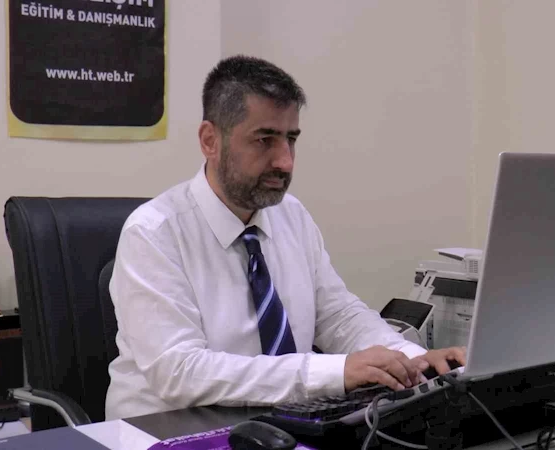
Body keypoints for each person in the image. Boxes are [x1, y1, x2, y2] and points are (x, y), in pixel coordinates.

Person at [105, 55, 466, 420]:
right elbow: (181, 373)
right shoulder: (152, 233)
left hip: (272, 424)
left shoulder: (291, 215)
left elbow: (338, 315)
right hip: (164, 429)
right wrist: (336, 372)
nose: (285, 162)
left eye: (290, 139)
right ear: (210, 140)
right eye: (265, 140)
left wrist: (411, 360)